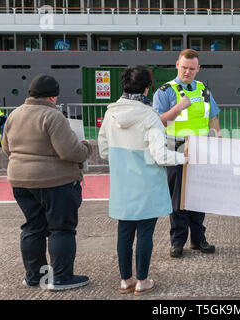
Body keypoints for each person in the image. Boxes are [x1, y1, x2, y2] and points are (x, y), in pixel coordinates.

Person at [98, 66, 187, 295]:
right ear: (148, 88)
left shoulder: (110, 114)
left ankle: (125, 280)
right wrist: (184, 157)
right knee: (145, 232)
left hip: (122, 184)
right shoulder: (150, 116)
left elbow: (104, 150)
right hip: (147, 184)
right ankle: (143, 280)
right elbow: (160, 155)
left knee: (124, 231)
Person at [2, 74, 93, 290]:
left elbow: (6, 147)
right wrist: (87, 147)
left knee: (33, 228)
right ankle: (61, 278)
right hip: (54, 182)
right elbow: (70, 151)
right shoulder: (53, 116)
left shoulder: (14, 115)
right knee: (61, 229)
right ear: (53, 97)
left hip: (20, 180)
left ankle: (35, 277)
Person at [153, 49, 220, 258]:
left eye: (192, 68)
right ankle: (177, 242)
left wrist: (216, 138)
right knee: (178, 199)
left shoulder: (204, 90)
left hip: (201, 149)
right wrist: (178, 108)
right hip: (176, 148)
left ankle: (198, 240)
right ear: (177, 65)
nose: (187, 72)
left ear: (198, 69)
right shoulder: (165, 91)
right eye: (184, 67)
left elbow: (213, 117)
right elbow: (157, 121)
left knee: (199, 197)